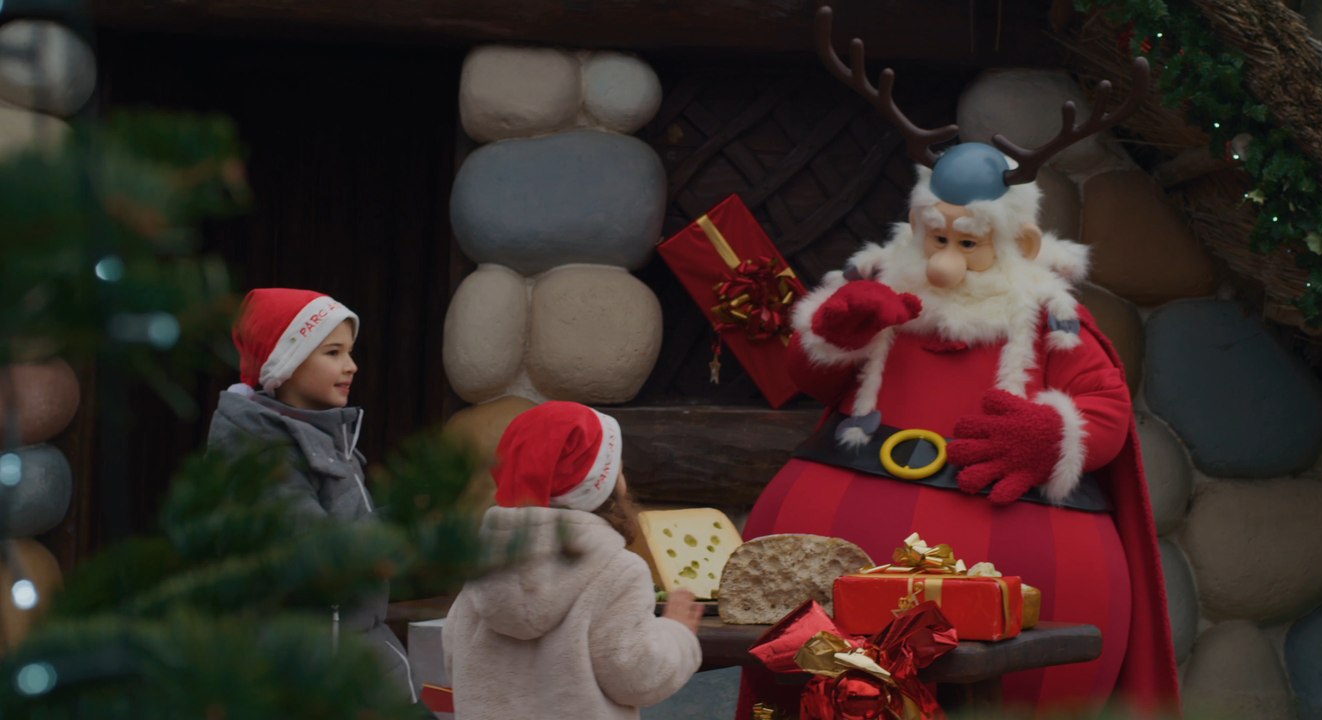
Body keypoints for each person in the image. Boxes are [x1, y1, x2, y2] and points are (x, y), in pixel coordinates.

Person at [738, 146, 1180, 717]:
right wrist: (837, 329)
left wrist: (1049, 436)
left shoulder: (1049, 319)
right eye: (935, 239)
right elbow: (808, 376)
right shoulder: (886, 299)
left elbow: (1105, 411)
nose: (944, 263)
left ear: (1015, 245)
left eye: (966, 244)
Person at [206, 288, 421, 705]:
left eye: (350, 352)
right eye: (333, 352)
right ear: (287, 362)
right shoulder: (258, 455)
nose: (352, 366)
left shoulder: (329, 439)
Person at [443, 401, 703, 719]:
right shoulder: (616, 571)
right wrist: (677, 633)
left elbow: (454, 652)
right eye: (618, 468)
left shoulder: (486, 562)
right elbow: (637, 676)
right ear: (600, 484)